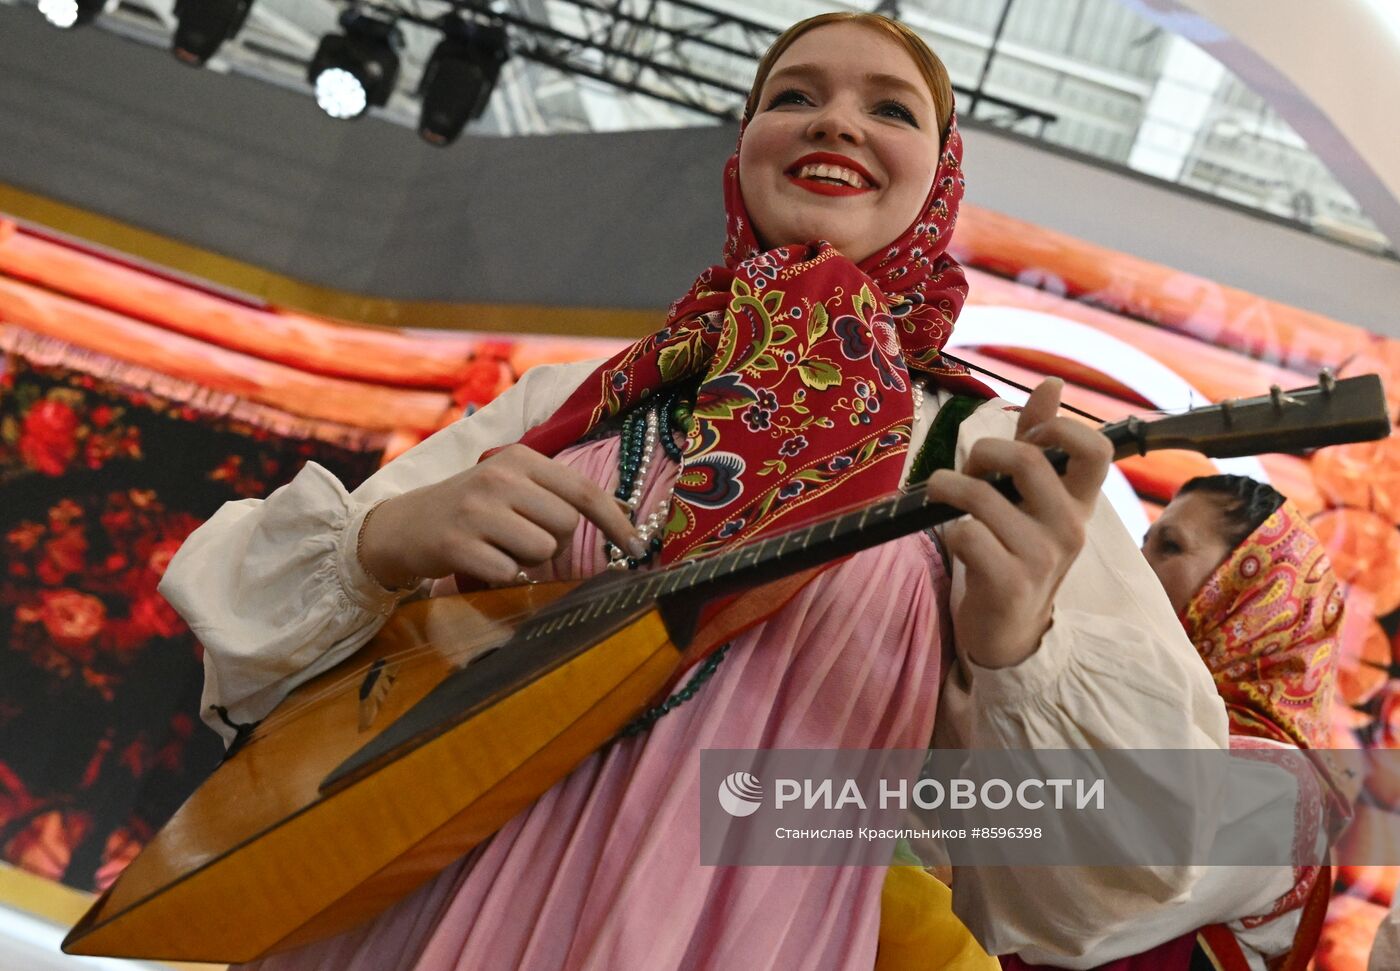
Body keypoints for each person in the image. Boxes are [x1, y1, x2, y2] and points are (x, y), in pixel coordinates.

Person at [160, 13, 1283, 970]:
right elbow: (253, 656)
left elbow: (1115, 872)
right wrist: (387, 540)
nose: (835, 119)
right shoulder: (579, 395)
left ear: (938, 179)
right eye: (793, 94)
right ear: (741, 150)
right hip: (418, 894)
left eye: (889, 108)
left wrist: (1019, 649)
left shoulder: (982, 454)